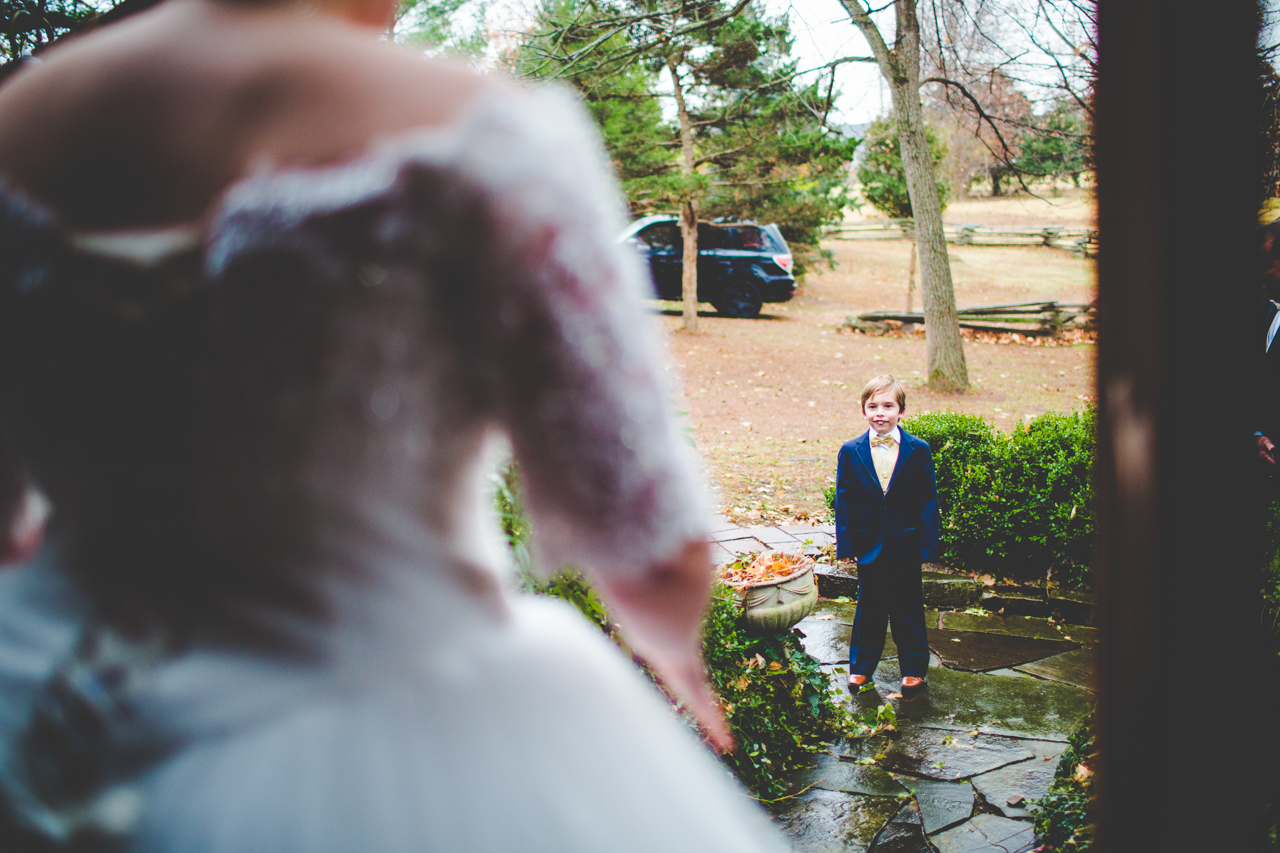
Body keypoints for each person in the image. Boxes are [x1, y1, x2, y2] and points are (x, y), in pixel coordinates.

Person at [0, 0, 791, 850]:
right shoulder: (481, 131)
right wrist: (673, 641)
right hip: (372, 727)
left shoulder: (25, 118)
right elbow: (642, 520)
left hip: (40, 702)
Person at [833, 374, 940, 693]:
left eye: (888, 405)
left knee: (908, 607)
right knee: (870, 607)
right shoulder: (850, 451)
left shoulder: (918, 450)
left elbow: (927, 500)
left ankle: (914, 668)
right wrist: (847, 544)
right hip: (868, 544)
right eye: (873, 406)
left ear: (901, 411)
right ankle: (861, 667)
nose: (880, 412)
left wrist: (927, 545)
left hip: (905, 542)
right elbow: (844, 499)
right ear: (864, 411)